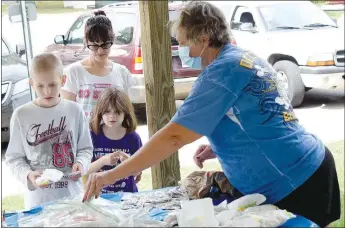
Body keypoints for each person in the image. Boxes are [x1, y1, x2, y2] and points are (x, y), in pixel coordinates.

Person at [82, 2, 340, 227]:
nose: (181, 51)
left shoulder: (221, 72)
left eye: (184, 43)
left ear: (204, 39)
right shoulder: (242, 57)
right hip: (310, 165)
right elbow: (264, 117)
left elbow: (173, 137)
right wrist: (222, 146)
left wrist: (111, 176)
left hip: (295, 180)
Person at [5, 53, 93, 209]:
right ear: (32, 83)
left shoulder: (75, 111)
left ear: (63, 80)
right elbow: (14, 158)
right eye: (40, 86)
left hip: (72, 197)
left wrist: (81, 163)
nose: (47, 91)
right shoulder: (21, 115)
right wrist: (28, 174)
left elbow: (85, 148)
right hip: (38, 202)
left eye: (52, 84)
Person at [61, 10, 136, 120]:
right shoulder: (73, 72)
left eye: (105, 44)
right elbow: (68, 115)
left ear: (113, 40)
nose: (100, 51)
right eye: (94, 45)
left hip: (114, 136)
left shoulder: (122, 72)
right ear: (86, 42)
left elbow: (127, 113)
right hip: (84, 136)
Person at [84, 87, 142, 193]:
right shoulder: (92, 136)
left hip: (127, 197)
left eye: (117, 112)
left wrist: (129, 163)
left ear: (125, 113)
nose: (112, 116)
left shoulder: (133, 138)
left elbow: (137, 173)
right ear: (100, 112)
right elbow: (84, 171)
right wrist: (103, 161)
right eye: (107, 112)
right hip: (100, 198)